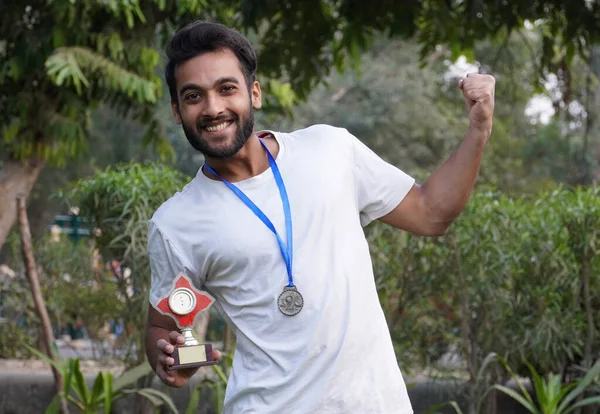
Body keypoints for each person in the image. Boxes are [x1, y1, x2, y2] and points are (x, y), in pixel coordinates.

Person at [145, 20, 495, 414]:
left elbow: (433, 214)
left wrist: (478, 131)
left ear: (254, 93)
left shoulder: (330, 151)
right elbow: (168, 329)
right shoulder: (178, 224)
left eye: (227, 88)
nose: (213, 108)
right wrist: (173, 357)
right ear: (177, 111)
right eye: (194, 96)